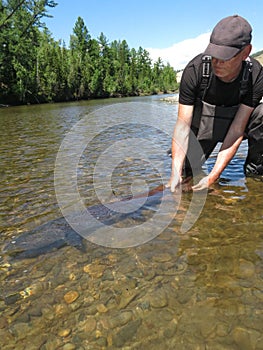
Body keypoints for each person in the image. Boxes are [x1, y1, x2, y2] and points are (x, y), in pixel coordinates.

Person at [167, 15, 263, 192]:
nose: (216, 63)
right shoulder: (194, 70)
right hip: (203, 127)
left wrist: (213, 176)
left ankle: (255, 179)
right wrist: (175, 173)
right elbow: (182, 127)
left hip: (234, 126)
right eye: (213, 55)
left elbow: (236, 130)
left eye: (225, 57)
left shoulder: (256, 75)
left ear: (246, 52)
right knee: (187, 174)